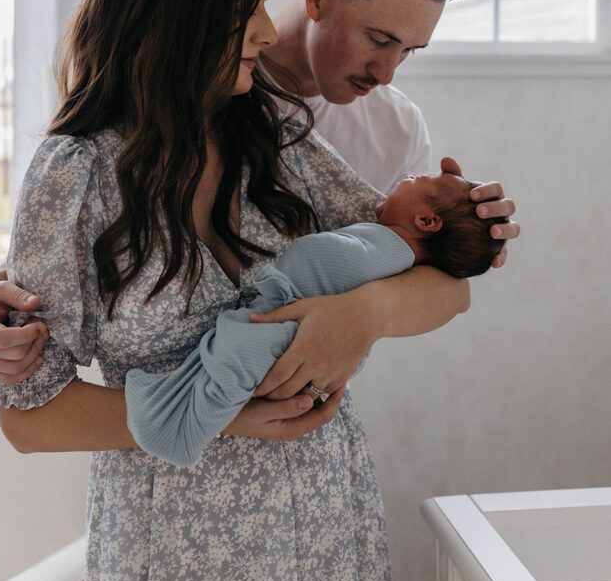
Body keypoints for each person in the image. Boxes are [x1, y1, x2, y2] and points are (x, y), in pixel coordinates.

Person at [0, 0, 464, 581]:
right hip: (176, 557)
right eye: (249, 7)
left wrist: (386, 293)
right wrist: (226, 416)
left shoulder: (275, 136)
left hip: (326, 524)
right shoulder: (74, 174)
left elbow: (424, 266)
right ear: (177, 16)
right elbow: (28, 417)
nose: (268, 31)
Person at [0, 0, 518, 439]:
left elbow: (443, 281)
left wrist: (371, 307)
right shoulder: (116, 153)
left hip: (318, 463)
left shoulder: (356, 131)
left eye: (410, 51)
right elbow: (73, 262)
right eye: (379, 39)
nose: (389, 72)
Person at [124, 165, 504, 467]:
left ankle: (183, 427)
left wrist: (366, 311)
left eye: (419, 179)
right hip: (289, 328)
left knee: (238, 354)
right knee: (231, 351)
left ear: (426, 221)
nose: (408, 175)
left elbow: (457, 293)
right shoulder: (382, 241)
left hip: (294, 336)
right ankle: (178, 413)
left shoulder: (391, 251)